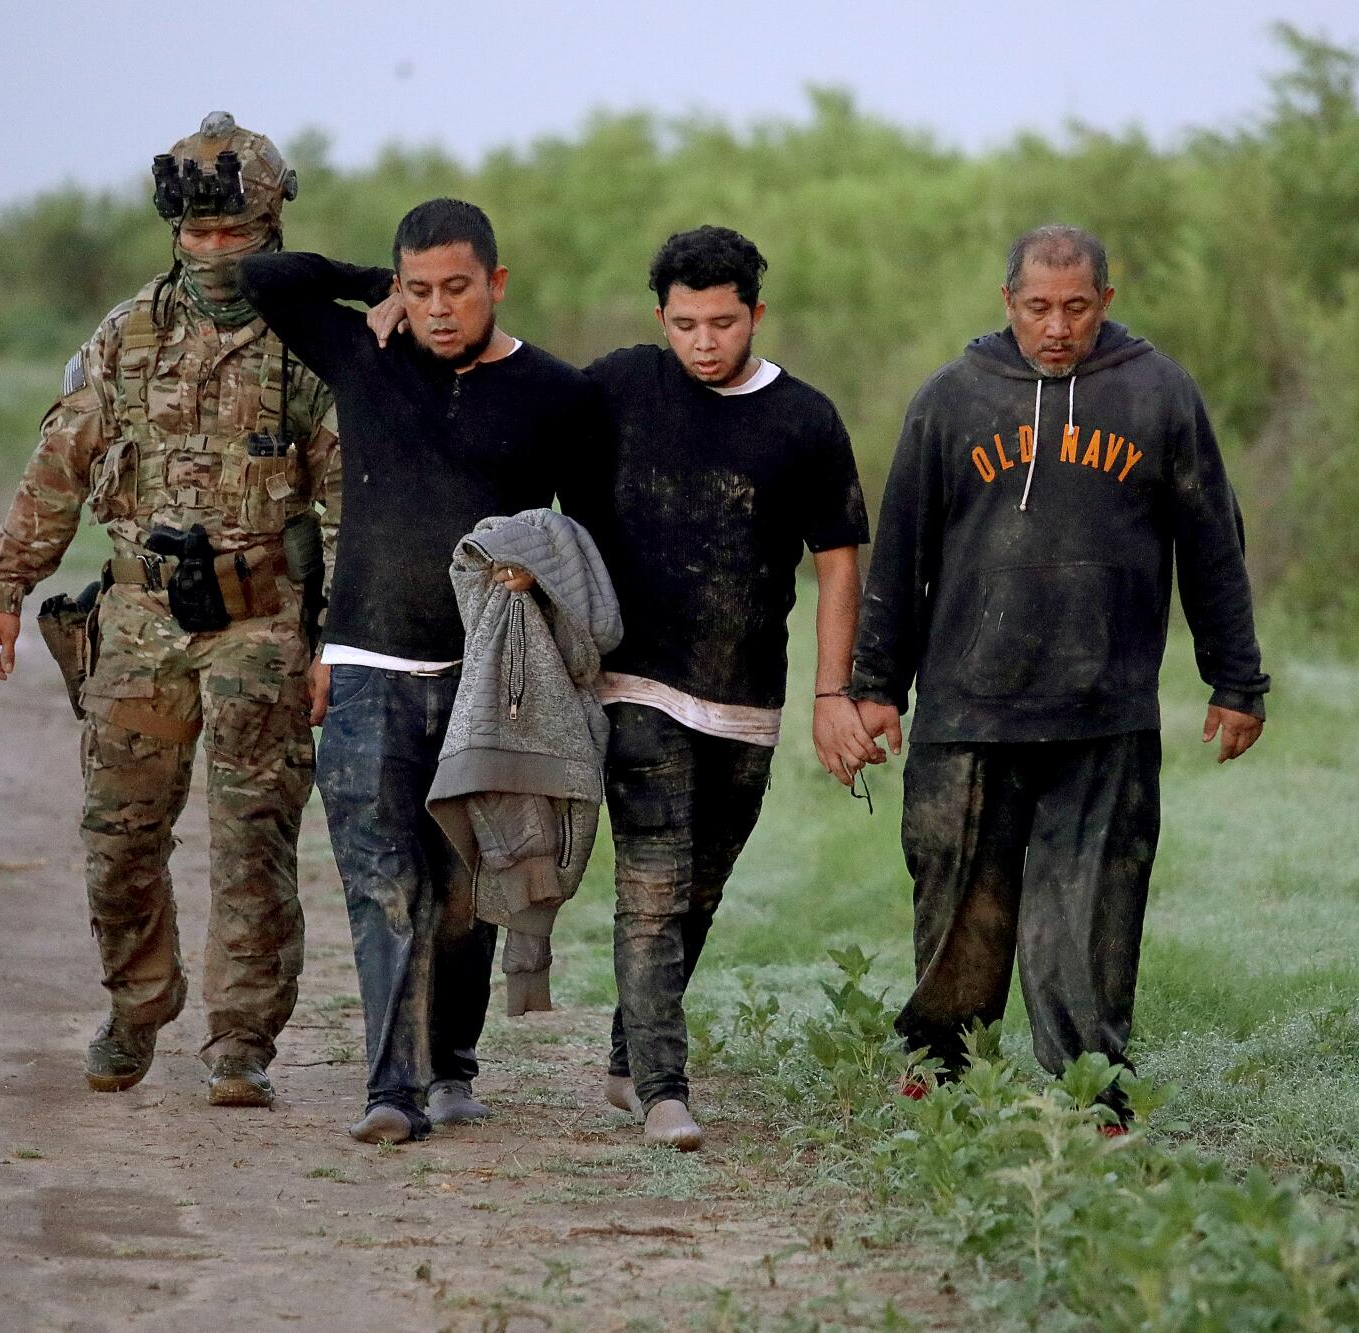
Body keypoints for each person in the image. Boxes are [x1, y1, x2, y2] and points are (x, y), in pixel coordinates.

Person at [848, 224, 1269, 1128]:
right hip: (965, 710)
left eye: (1076, 307)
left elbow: (1211, 544)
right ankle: (940, 1080)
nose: (1057, 326)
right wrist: (874, 683)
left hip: (1103, 711)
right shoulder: (953, 399)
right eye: (1038, 307)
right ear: (1008, 302)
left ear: (1106, 303)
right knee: (962, 905)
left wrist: (1236, 681)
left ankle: (1092, 1093)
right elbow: (903, 553)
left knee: (1089, 917)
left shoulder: (1159, 393)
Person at [0, 112, 340, 1109]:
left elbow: (349, 502)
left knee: (251, 838)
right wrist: (6, 588)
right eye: (198, 236)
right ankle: (137, 1003)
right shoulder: (127, 336)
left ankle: (240, 1040)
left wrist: (335, 645)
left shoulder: (312, 347)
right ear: (174, 232)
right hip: (137, 625)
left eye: (235, 236)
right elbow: (58, 467)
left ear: (270, 227)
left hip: (263, 623)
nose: (214, 254)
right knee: (119, 834)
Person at [241, 199, 611, 1145]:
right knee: (384, 882)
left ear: (498, 282)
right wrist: (374, 289)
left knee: (464, 888)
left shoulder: (557, 395)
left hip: (492, 675)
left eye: (458, 287)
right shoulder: (367, 357)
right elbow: (267, 277)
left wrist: (547, 568)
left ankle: (451, 1065)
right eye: (421, 290)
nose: (440, 309)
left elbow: (589, 535)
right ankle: (391, 1090)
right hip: (368, 665)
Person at [583, 226, 875, 1149]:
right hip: (632, 683)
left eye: (721, 322)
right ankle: (665, 1088)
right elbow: (516, 419)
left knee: (699, 892)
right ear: (659, 317)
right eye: (683, 324)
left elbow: (838, 567)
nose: (702, 342)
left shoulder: (805, 420)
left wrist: (835, 695)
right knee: (654, 883)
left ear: (755, 313)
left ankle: (629, 1058)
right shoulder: (620, 387)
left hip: (748, 697)